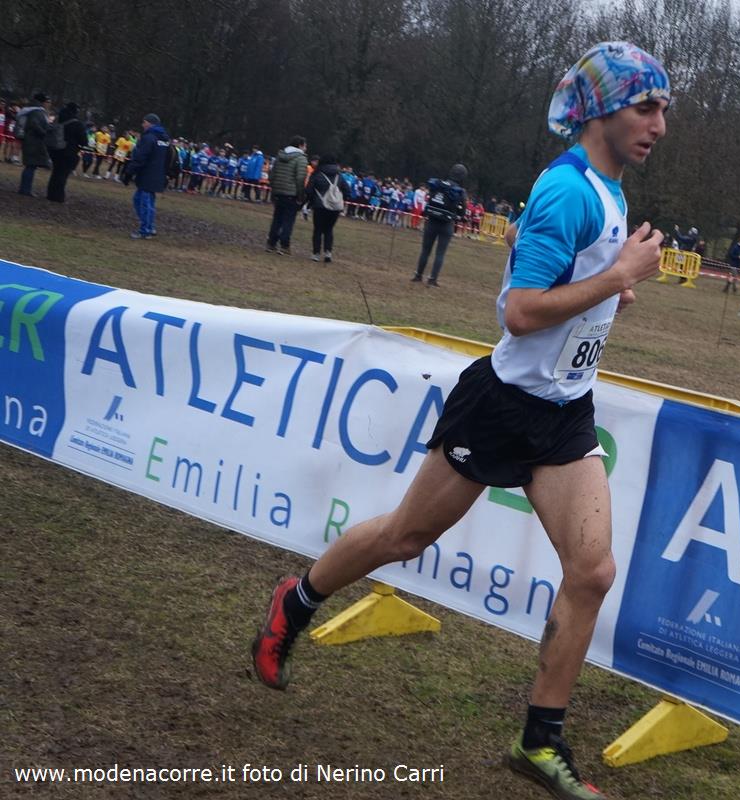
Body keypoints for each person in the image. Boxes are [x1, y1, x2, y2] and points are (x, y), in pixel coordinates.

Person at [250, 41, 669, 800]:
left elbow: (550, 271)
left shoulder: (608, 191)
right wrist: (616, 276)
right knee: (405, 537)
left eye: (663, 109)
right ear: (603, 110)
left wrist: (613, 286)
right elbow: (520, 313)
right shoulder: (568, 190)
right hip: (502, 407)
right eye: (646, 107)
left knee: (593, 572)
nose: (659, 125)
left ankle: (539, 741)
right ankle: (297, 600)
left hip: (565, 414)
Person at [411, 163, 468, 286]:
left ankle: (418, 275)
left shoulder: (438, 184)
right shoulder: (460, 191)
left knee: (425, 250)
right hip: (447, 224)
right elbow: (462, 211)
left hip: (432, 220)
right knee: (440, 253)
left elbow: (429, 198)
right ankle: (432, 279)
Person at [122, 113, 173, 239]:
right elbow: (169, 158)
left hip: (147, 174)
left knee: (144, 203)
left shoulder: (149, 138)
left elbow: (140, 157)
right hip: (157, 175)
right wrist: (166, 174)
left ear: (149, 123)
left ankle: (145, 230)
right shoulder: (165, 140)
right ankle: (149, 226)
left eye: (144, 122)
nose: (142, 125)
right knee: (143, 201)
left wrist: (129, 172)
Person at [265, 136, 308, 255]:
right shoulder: (301, 159)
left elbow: (272, 175)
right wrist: (301, 195)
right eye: (305, 145)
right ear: (300, 145)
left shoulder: (280, 156)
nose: (306, 148)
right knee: (288, 220)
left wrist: (274, 189)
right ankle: (284, 245)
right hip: (291, 194)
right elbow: (300, 178)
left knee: (277, 219)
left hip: (278, 192)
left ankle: (271, 243)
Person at [305, 153, 351, 263]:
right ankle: (328, 253)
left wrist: (311, 202)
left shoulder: (317, 173)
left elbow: (309, 190)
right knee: (329, 230)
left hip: (320, 205)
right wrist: (340, 198)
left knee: (318, 229)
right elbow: (348, 191)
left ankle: (316, 253)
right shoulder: (339, 175)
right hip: (335, 207)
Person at [46, 102, 89, 203]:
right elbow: (84, 141)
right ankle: (58, 196)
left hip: (55, 149)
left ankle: (50, 194)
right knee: (63, 174)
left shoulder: (58, 119)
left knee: (55, 172)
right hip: (69, 151)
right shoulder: (77, 124)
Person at [16, 93, 52, 196]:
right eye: (47, 102)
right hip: (33, 141)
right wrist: (44, 133)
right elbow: (35, 124)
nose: (48, 104)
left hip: (31, 141)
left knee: (31, 166)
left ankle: (25, 188)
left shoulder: (31, 110)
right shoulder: (37, 111)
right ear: (42, 102)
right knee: (31, 166)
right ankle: (25, 189)